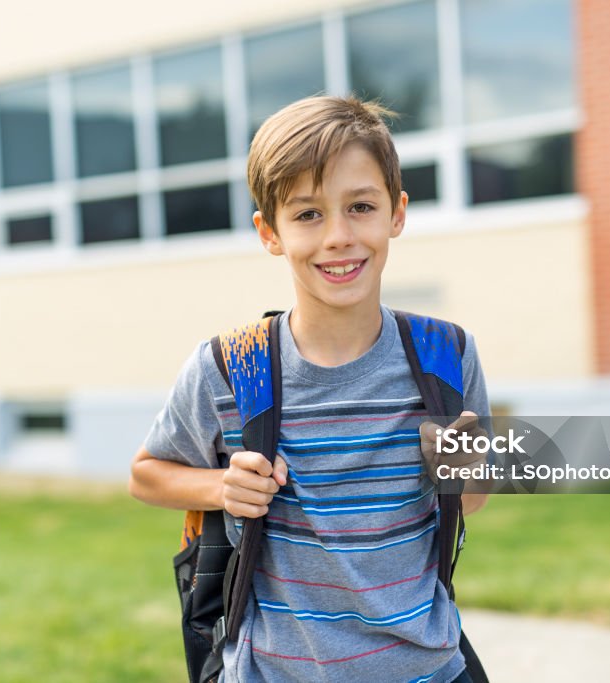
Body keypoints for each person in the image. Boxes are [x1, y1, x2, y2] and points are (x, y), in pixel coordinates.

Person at [129, 95, 490, 683]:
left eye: (361, 207)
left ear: (397, 213)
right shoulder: (228, 367)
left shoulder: (447, 357)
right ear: (269, 232)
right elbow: (146, 475)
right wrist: (224, 486)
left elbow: (471, 500)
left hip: (429, 669)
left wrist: (463, 471)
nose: (339, 237)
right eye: (307, 215)